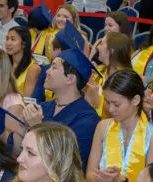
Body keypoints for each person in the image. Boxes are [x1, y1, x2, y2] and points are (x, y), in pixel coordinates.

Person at [86, 70, 153, 182]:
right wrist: (100, 178)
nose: (110, 109)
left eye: (117, 104)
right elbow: (89, 176)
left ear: (136, 100)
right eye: (107, 102)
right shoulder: (103, 128)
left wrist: (121, 180)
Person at [19, 43, 100, 171]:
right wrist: (21, 127)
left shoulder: (87, 120)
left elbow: (68, 166)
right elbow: (17, 152)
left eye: (54, 67)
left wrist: (36, 128)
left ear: (70, 79)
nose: (47, 71)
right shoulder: (42, 107)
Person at [6, 25, 41, 98]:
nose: (8, 43)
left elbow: (26, 100)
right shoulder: (4, 62)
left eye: (13, 39)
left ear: (24, 44)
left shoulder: (33, 68)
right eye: (7, 39)